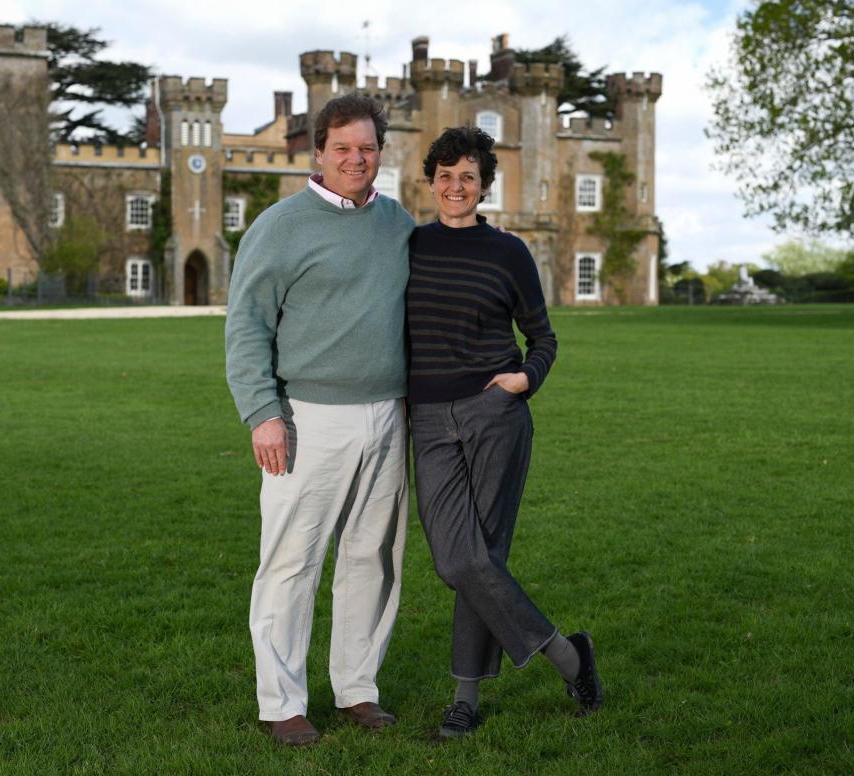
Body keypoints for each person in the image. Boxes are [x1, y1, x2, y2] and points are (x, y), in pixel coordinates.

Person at [224, 94, 414, 747]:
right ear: (319, 152)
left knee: (373, 557)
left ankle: (358, 689)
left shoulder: (398, 223)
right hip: (307, 418)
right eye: (343, 148)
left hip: (389, 413)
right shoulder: (280, 226)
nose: (356, 159)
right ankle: (282, 703)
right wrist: (262, 413)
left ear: (379, 152)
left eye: (367, 148)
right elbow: (246, 326)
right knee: (291, 563)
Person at [406, 126, 603, 739]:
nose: (455, 186)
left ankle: (465, 698)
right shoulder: (408, 246)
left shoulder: (509, 253)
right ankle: (567, 657)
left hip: (495, 414)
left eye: (468, 176)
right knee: (457, 558)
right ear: (431, 182)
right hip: (430, 418)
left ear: (484, 185)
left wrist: (524, 379)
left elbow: (543, 336)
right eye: (444, 175)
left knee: (482, 554)